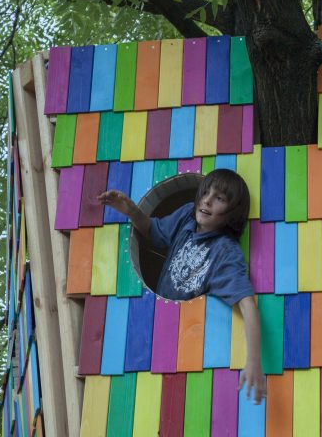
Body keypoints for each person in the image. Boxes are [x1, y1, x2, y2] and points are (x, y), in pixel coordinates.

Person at [98, 169, 266, 403]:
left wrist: (254, 362)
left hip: (187, 339)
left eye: (219, 198)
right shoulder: (187, 217)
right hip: (152, 321)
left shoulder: (225, 253)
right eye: (205, 192)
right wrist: (131, 210)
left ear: (233, 213)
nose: (206, 200)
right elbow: (151, 230)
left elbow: (248, 305)